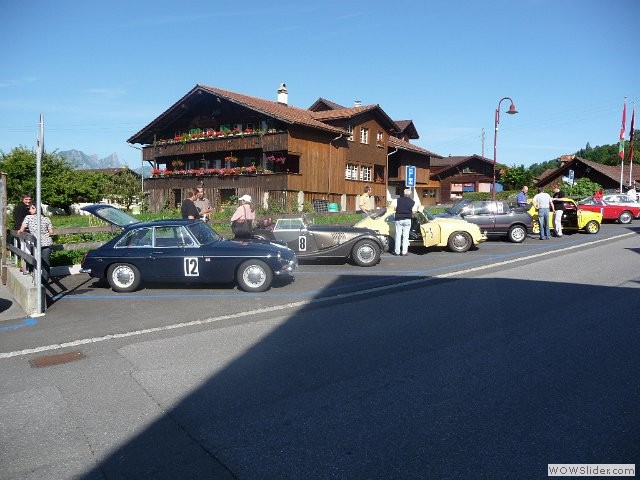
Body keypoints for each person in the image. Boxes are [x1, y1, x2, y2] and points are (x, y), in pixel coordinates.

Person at [18, 204, 54, 281]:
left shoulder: (28, 217)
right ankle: (44, 280)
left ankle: (36, 278)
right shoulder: (46, 218)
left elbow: (22, 229)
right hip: (47, 242)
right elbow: (51, 231)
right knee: (46, 262)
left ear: (35, 209)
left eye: (30, 209)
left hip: (36, 243)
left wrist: (20, 231)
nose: (29, 210)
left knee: (36, 261)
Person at [394, 188, 416, 256]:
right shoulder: (412, 202)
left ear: (404, 193)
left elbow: (394, 208)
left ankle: (397, 252)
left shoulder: (398, 200)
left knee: (398, 235)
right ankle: (404, 252)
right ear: (410, 194)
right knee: (405, 236)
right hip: (407, 219)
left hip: (399, 219)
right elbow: (414, 212)